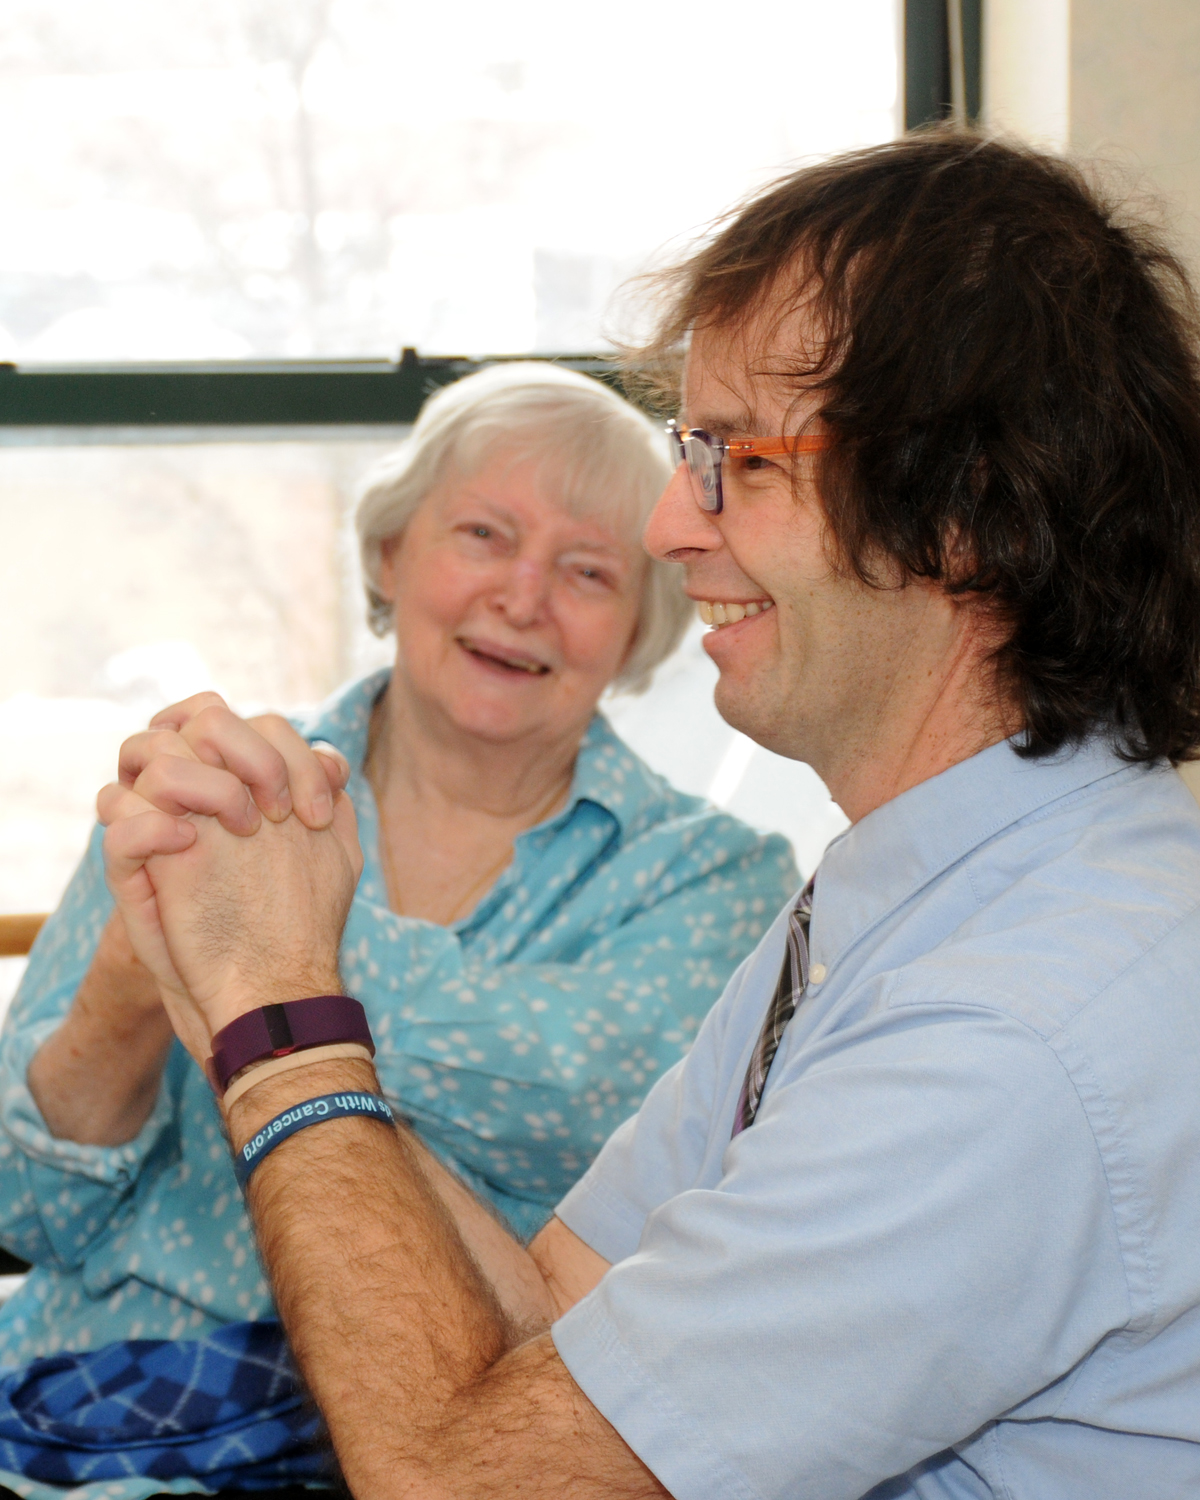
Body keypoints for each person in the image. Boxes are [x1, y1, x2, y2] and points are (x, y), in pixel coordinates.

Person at [100, 130, 1200, 1500]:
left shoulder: (1021, 1027)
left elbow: (459, 1482)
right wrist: (230, 990)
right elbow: (558, 1320)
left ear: (964, 513)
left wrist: (286, 1025)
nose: (674, 526)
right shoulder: (909, 892)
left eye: (738, 458)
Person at [0, 365, 798, 1496]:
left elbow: (565, 1104)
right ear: (389, 555)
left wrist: (233, 949)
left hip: (422, 1452)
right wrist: (126, 992)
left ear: (639, 631)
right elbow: (25, 1210)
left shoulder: (712, 882)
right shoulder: (211, 790)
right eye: (483, 533)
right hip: (71, 1421)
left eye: (586, 571)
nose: (522, 596)